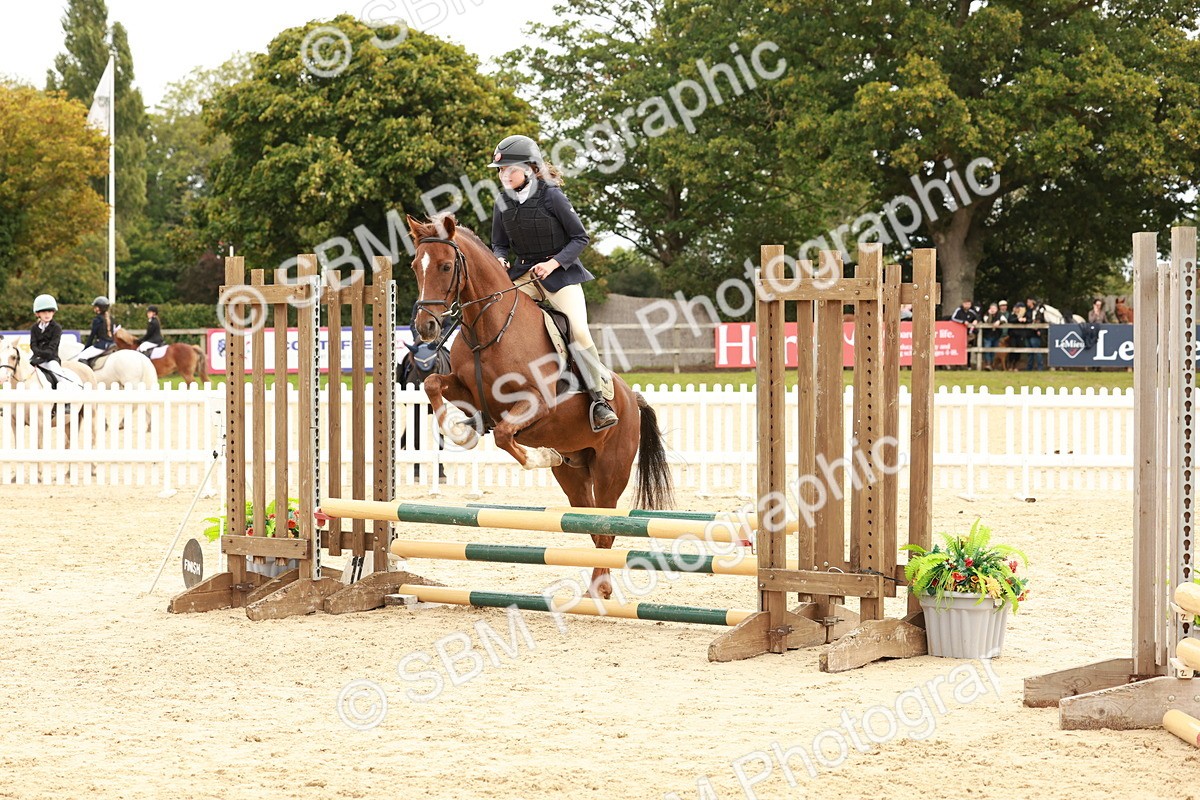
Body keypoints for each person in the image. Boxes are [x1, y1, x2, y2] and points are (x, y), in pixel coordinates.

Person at [487, 134, 617, 431]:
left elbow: (580, 238)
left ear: (530, 168)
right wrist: (500, 258)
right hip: (523, 275)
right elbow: (499, 243)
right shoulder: (502, 201)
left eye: (508, 169)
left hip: (559, 276)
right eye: (499, 170)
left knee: (579, 331)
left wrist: (553, 262)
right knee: (492, 315)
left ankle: (598, 400)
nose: (503, 175)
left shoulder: (552, 196)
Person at [28, 295, 77, 389]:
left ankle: (66, 397)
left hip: (51, 359)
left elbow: (52, 348)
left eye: (50, 311)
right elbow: (33, 345)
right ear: (38, 313)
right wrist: (36, 357)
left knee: (58, 374)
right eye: (44, 312)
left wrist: (41, 358)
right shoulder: (34, 327)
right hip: (36, 358)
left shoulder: (56, 328)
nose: (47, 314)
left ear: (53, 312)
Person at [77, 296, 115, 366]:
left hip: (102, 345)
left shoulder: (97, 319)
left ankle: (87, 374)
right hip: (112, 344)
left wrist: (86, 348)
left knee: (81, 357)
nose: (94, 308)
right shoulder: (111, 318)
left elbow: (92, 335)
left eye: (95, 306)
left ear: (99, 308)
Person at [1025, 297, 1046, 371]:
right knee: (1029, 352)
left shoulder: (1037, 311)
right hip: (1028, 333)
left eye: (1028, 302)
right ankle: (1029, 367)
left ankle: (1040, 367)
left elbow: (1040, 320)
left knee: (1037, 351)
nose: (1027, 303)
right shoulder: (1027, 311)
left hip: (1035, 334)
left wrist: (1039, 329)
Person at [980, 302, 1002, 370]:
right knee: (987, 349)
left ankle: (993, 364)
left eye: (994, 308)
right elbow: (988, 321)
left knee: (994, 350)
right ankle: (988, 364)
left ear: (997, 309)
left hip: (996, 335)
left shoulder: (1000, 314)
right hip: (988, 335)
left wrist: (999, 321)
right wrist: (990, 315)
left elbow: (1005, 320)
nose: (993, 310)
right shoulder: (986, 314)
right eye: (992, 308)